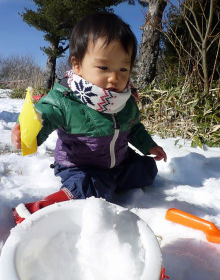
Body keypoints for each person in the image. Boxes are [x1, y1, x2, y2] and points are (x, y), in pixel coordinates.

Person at [11, 12, 167, 224]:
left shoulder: (125, 99)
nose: (115, 77)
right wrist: (29, 132)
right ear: (77, 64)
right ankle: (36, 212)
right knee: (91, 189)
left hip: (118, 162)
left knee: (147, 170)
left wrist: (148, 145)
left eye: (123, 68)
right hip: (80, 166)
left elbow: (134, 127)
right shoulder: (66, 99)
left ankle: (107, 183)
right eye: (104, 67)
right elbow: (44, 115)